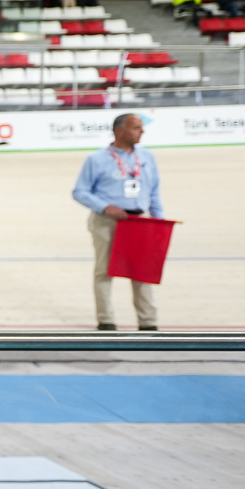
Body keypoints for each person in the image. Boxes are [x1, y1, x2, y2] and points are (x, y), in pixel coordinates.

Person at [71, 112, 163, 332]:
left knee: (142, 271)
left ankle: (148, 322)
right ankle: (106, 321)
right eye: (136, 127)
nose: (142, 131)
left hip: (139, 222)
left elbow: (154, 191)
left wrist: (158, 222)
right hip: (107, 221)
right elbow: (80, 191)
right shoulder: (97, 159)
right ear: (119, 131)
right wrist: (105, 207)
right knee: (105, 270)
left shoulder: (147, 157)